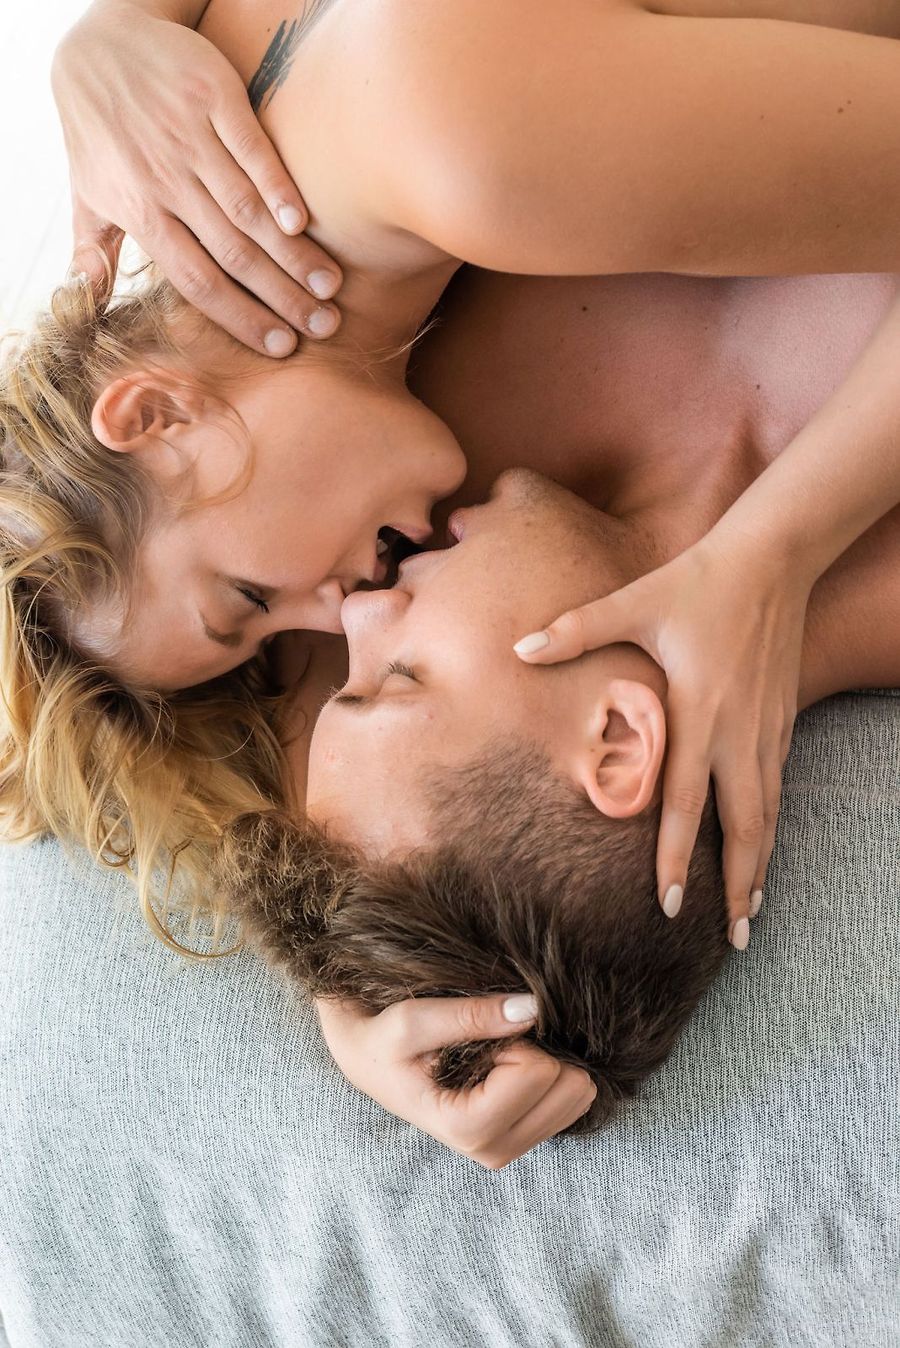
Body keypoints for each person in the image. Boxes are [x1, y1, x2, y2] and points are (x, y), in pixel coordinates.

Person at [13, 0, 900, 950]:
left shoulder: (453, 148)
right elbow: (346, 803)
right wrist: (367, 997)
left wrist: (772, 555)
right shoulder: (394, 430)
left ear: (152, 418)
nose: (345, 616)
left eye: (250, 597)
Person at [216, 455, 899, 1165]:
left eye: (343, 684)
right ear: (616, 744)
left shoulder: (410, 479)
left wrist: (345, 1015)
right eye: (400, 677)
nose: (356, 609)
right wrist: (774, 547)